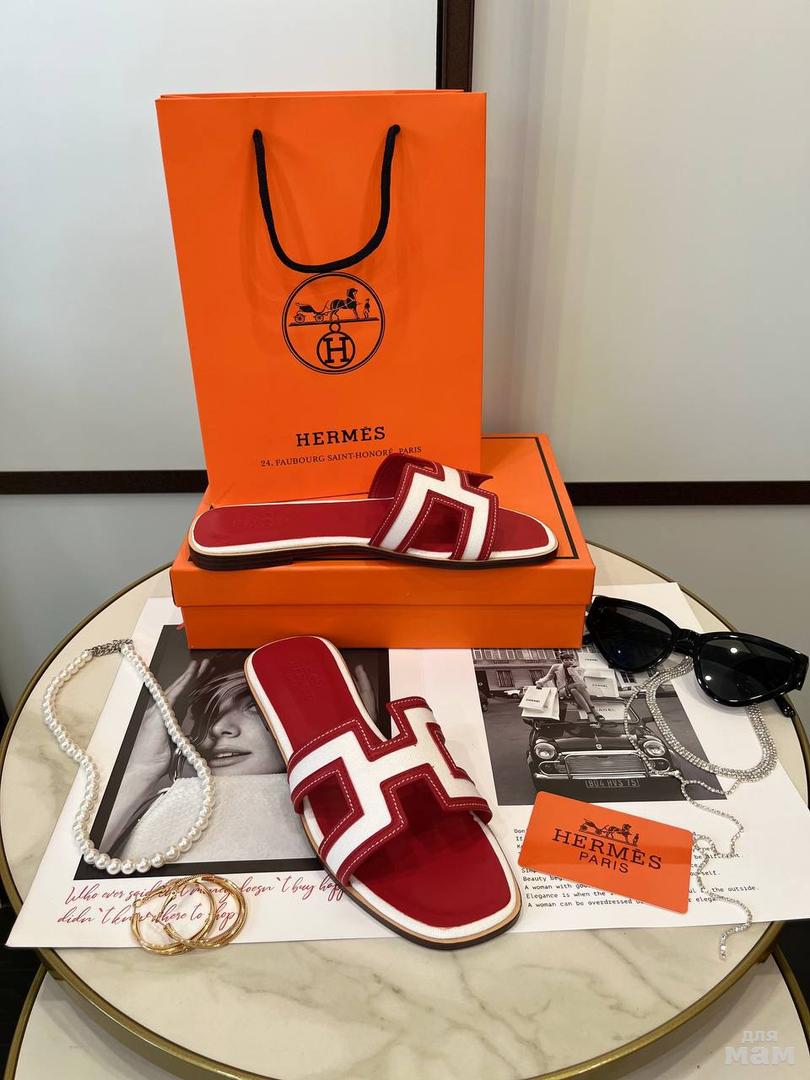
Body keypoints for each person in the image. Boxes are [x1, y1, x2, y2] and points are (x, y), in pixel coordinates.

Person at [102, 655, 312, 864]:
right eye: (204, 712)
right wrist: (143, 768)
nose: (217, 727)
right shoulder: (157, 808)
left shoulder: (322, 817)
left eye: (254, 707)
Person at [534, 654, 604, 724]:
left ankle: (589, 714)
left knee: (574, 690)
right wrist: (540, 683)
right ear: (562, 661)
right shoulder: (556, 667)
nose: (569, 661)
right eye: (566, 660)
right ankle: (594, 710)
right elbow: (548, 677)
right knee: (577, 685)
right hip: (563, 690)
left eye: (571, 660)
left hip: (575, 690)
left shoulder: (579, 669)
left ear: (573, 660)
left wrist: (573, 671)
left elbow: (581, 683)